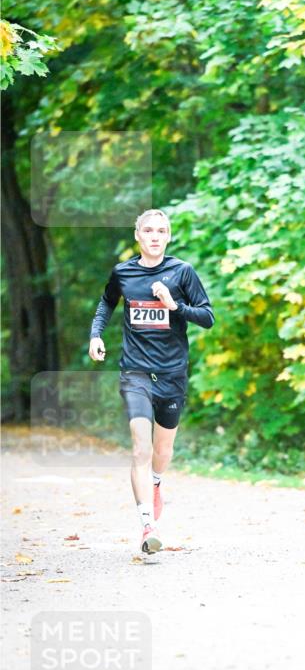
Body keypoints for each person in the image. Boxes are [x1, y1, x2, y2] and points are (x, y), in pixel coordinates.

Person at [88, 208, 214, 554]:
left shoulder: (182, 272)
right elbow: (106, 303)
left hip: (172, 373)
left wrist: (174, 305)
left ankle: (156, 483)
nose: (155, 235)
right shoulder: (123, 273)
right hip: (136, 371)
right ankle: (148, 526)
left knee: (162, 450)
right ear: (138, 235)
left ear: (168, 237)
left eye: (161, 230)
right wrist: (96, 335)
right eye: (148, 230)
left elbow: (207, 317)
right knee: (141, 447)